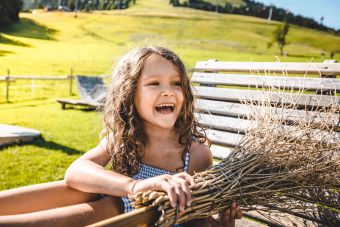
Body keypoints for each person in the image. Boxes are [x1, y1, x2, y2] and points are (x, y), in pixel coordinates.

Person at [0, 46, 242, 226]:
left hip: (136, 217)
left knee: (116, 203)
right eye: (154, 83)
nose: (168, 91)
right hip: (119, 204)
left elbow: (194, 216)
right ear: (130, 95)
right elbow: (74, 173)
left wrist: (218, 225)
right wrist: (134, 186)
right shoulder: (127, 138)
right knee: (82, 189)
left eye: (176, 83)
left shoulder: (195, 153)